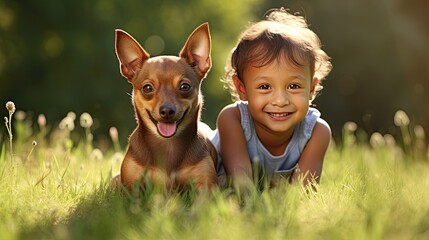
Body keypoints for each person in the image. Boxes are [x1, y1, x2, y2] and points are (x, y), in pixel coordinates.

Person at [211, 8, 332, 190]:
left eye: (294, 86)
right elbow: (241, 187)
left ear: (311, 89)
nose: (280, 100)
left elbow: (303, 193)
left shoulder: (317, 132)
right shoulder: (232, 119)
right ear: (241, 88)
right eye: (265, 87)